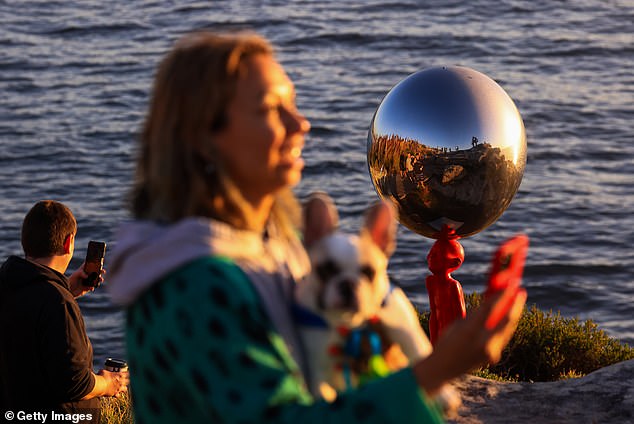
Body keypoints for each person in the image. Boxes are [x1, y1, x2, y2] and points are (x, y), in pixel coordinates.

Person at [107, 31, 526, 424]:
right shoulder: (193, 284)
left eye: (294, 104)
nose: (300, 125)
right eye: (272, 109)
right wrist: (438, 368)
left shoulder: (268, 253)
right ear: (203, 137)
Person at [0, 200, 129, 423]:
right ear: (69, 243)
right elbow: (74, 382)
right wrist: (109, 383)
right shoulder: (59, 304)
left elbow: (27, 317)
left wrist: (68, 289)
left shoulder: (8, 284)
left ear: (26, 241)